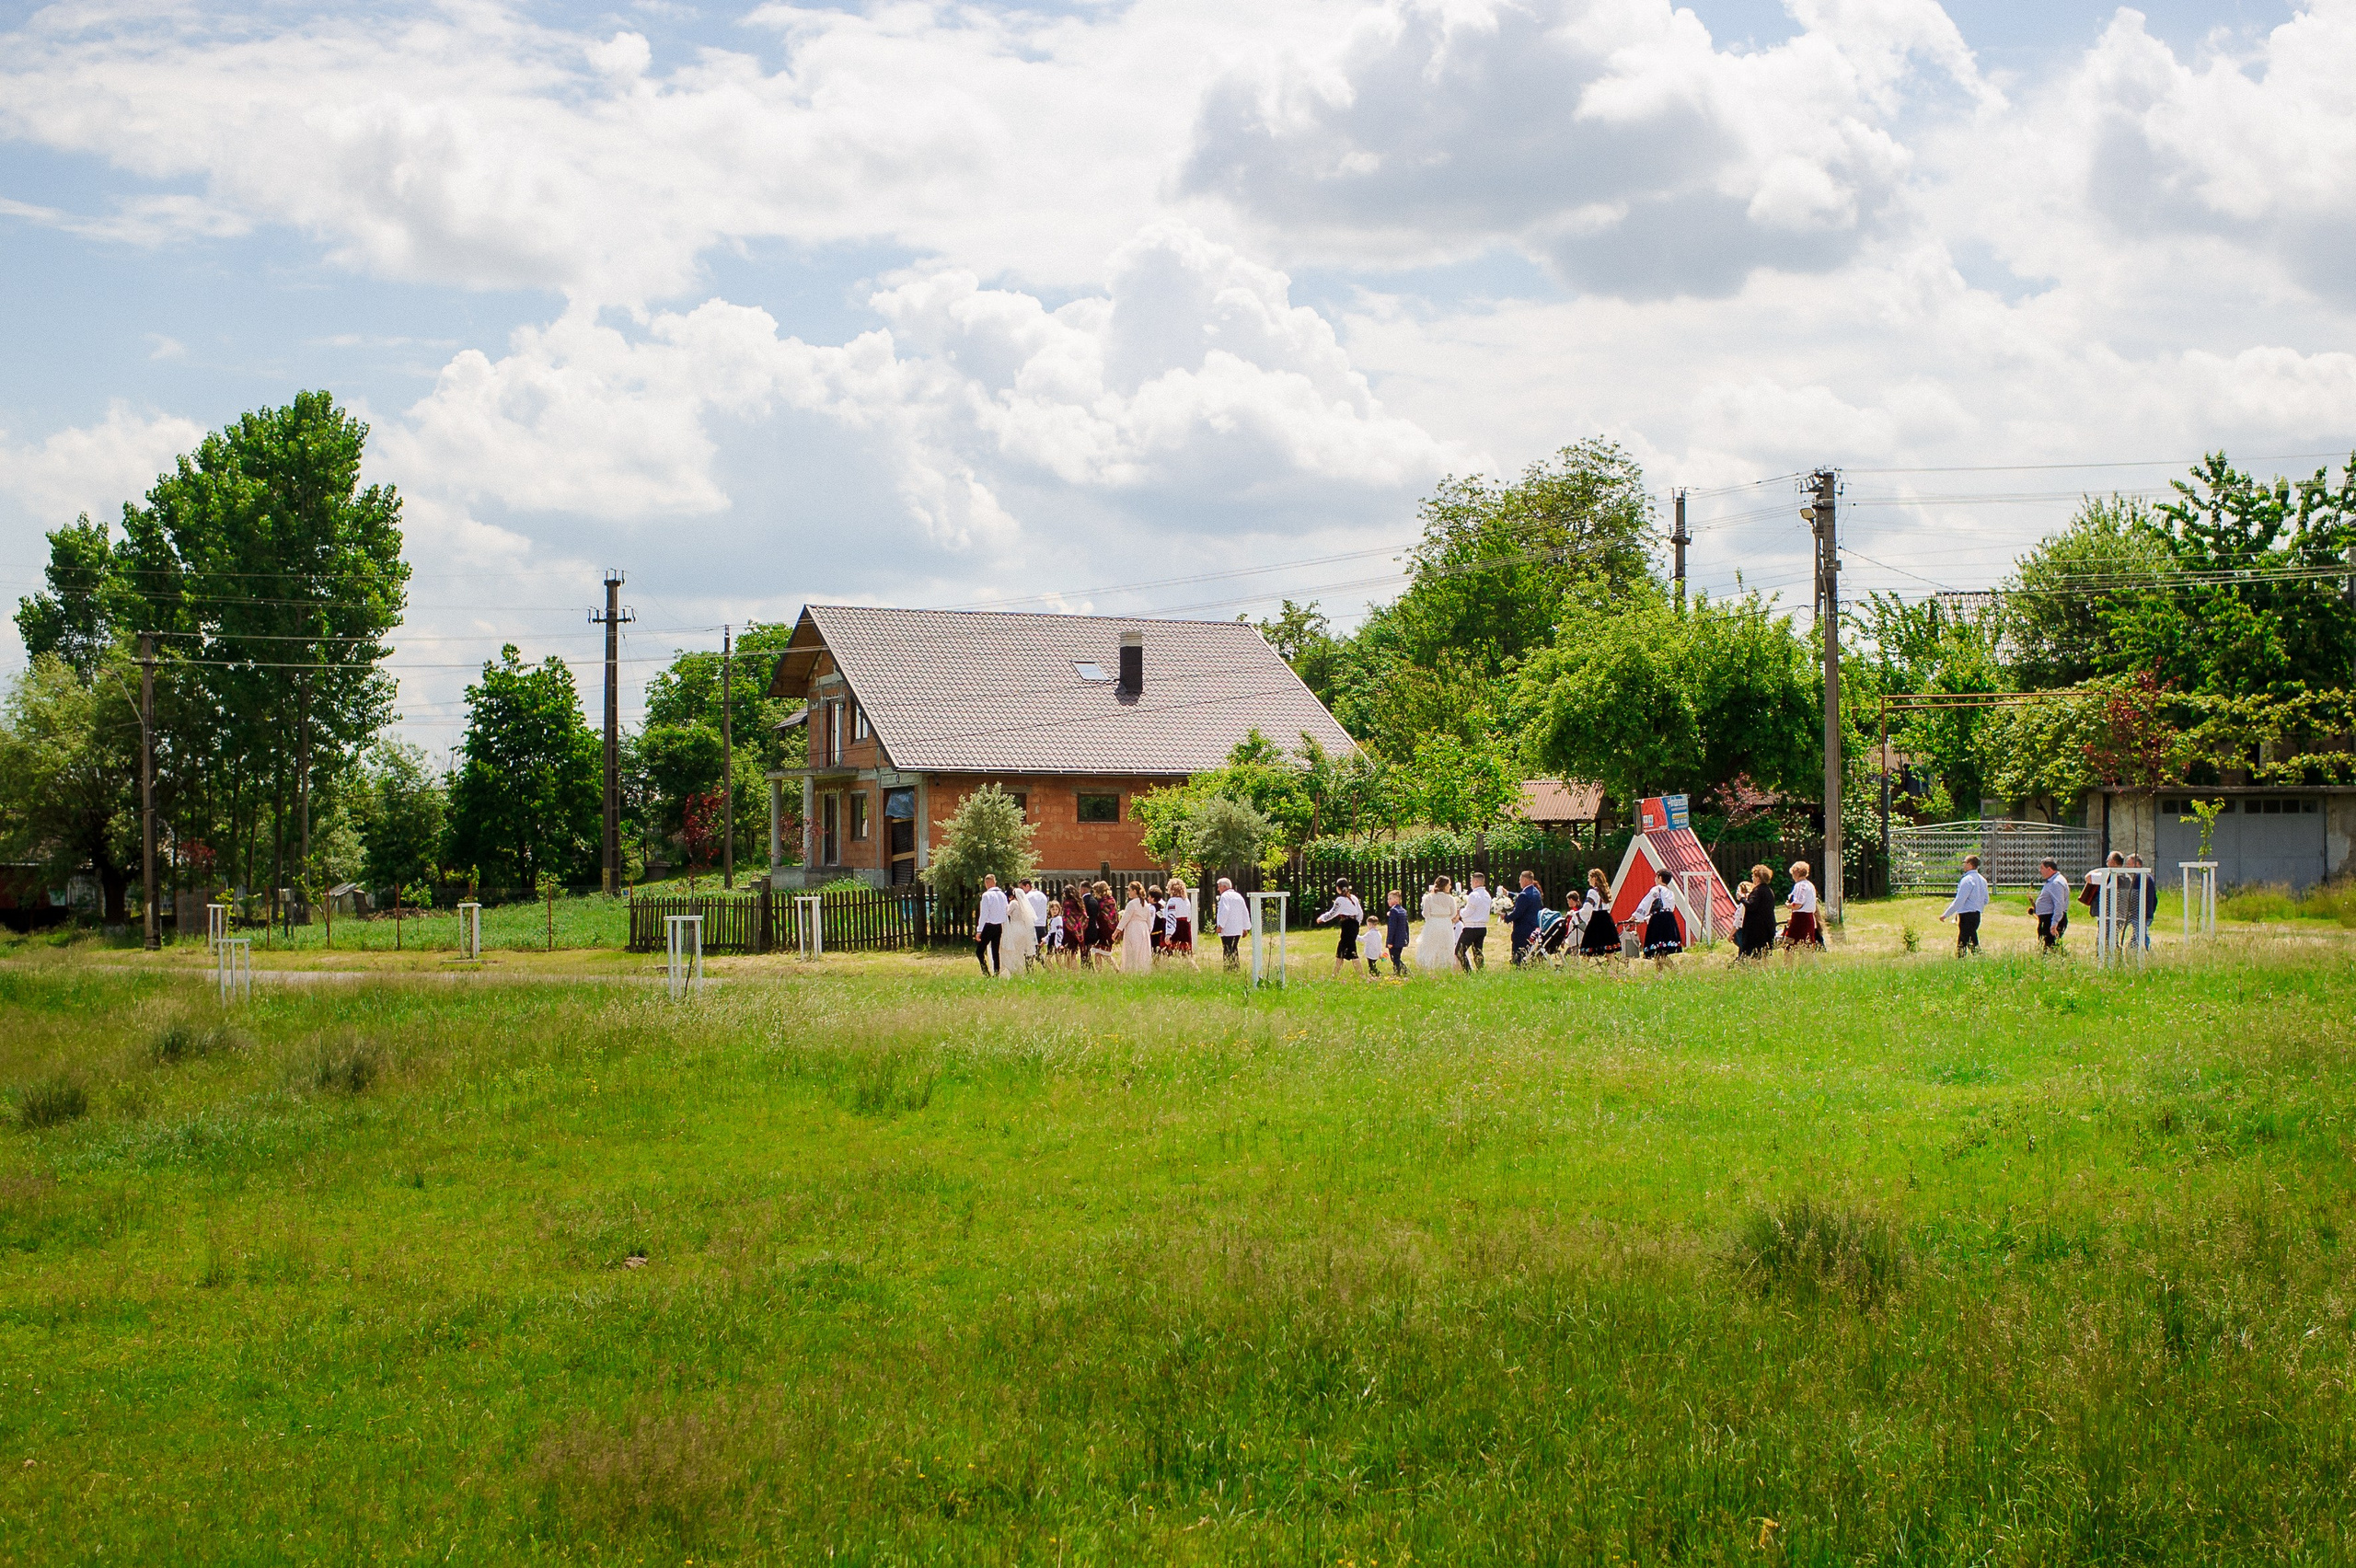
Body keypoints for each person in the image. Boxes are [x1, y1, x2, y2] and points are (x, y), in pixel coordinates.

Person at [1631, 867, 1682, 967]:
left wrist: (1635, 916)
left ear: (1659, 877)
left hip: (1659, 921)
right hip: (1669, 920)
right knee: (1661, 949)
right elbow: (1669, 908)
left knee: (1657, 946)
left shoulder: (1657, 889)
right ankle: (1660, 972)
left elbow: (1646, 902)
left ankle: (1672, 970)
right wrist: (1647, 918)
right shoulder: (1671, 893)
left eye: (1656, 877)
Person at [1315, 878, 1364, 979]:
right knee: (1344, 950)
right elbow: (1360, 913)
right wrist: (1357, 924)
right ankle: (1335, 975)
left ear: (1338, 888)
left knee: (1348, 951)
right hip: (1354, 925)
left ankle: (1360, 976)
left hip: (1347, 925)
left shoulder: (1340, 900)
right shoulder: (1353, 898)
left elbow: (1333, 913)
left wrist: (1322, 918)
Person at [1940, 854, 1988, 954]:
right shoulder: (1982, 880)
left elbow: (1959, 900)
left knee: (1968, 942)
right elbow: (1986, 900)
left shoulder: (1967, 880)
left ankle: (1977, 959)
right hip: (1976, 915)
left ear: (1970, 864)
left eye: (1964, 862)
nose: (1963, 865)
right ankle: (1963, 960)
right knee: (1965, 940)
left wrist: (1946, 914)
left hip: (1966, 916)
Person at [1414, 876, 1459, 972]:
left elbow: (1425, 913)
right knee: (1445, 944)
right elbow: (1453, 913)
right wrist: (1445, 918)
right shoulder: (1450, 898)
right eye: (1449, 884)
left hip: (1433, 922)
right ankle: (1444, 965)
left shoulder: (1429, 897)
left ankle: (1428, 965)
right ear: (1445, 885)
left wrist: (1432, 917)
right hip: (1446, 922)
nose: (1450, 887)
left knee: (1430, 944)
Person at [1734, 863, 1778, 959]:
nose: (1752, 878)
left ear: (1758, 877)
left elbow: (1751, 906)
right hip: (1768, 926)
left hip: (1757, 930)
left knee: (1754, 955)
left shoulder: (1757, 891)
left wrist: (1741, 898)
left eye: (1753, 876)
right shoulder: (1769, 890)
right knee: (1764, 954)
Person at [1576, 867, 1618, 958]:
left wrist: (1577, 914)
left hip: (1596, 920)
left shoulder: (1592, 892)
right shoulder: (1605, 891)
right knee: (1609, 951)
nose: (1588, 880)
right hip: (1607, 920)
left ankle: (1582, 971)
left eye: (1589, 878)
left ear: (1594, 878)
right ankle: (1613, 972)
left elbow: (1587, 908)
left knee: (1587, 948)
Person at [1117, 881, 1156, 974]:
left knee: (1132, 950)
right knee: (1142, 951)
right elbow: (1149, 922)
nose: (1128, 892)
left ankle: (1132, 971)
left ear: (1134, 891)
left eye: (1129, 890)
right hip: (1143, 928)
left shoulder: (1132, 903)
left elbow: (1125, 919)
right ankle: (1143, 970)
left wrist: (1116, 932)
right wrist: (1147, 931)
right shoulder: (1146, 904)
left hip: (1133, 928)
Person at [1783, 860, 1822, 950]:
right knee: (1807, 944)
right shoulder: (1810, 885)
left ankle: (1788, 963)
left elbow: (1798, 904)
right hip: (1809, 918)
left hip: (1800, 918)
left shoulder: (1800, 885)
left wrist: (1789, 905)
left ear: (1796, 873)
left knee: (1789, 944)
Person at [1456, 872, 1492, 971]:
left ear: (1476, 882)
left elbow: (1468, 912)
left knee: (1459, 951)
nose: (1471, 884)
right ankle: (1481, 970)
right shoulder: (1487, 895)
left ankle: (1468, 972)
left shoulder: (1474, 895)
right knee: (1478, 951)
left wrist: (1460, 912)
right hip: (1482, 927)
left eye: (1471, 881)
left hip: (1471, 927)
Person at [2033, 857, 2070, 950]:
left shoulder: (2056, 883)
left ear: (2049, 869)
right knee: (2046, 946)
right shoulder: (2052, 881)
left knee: (2050, 947)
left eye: (2042, 868)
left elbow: (2059, 904)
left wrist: (2054, 924)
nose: (2040, 871)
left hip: (2051, 919)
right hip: (2047, 919)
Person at [999, 886, 1036, 978]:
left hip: (1015, 928)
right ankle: (1021, 969)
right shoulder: (1023, 905)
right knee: (1020, 950)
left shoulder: (1013, 903)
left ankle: (1016, 969)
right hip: (1023, 928)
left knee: (1015, 950)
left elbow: (1006, 913)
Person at [974, 873, 1007, 976]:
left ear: (986, 883)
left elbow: (984, 914)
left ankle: (986, 972)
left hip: (988, 926)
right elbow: (1006, 909)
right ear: (995, 882)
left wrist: (979, 930)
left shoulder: (986, 895)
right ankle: (996, 973)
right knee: (995, 951)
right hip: (999, 926)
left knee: (979, 951)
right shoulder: (1002, 895)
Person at [1508, 870, 1544, 964]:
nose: (1519, 882)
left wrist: (1506, 917)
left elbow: (1517, 913)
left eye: (1520, 880)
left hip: (1522, 928)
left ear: (1524, 880)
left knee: (1520, 951)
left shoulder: (1524, 895)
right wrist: (1508, 893)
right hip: (1533, 927)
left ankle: (1519, 965)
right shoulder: (1536, 892)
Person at [1215, 877, 1250, 968]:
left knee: (1227, 949)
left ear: (1224, 887)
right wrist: (1245, 927)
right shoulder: (1239, 896)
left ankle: (1228, 968)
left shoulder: (1225, 896)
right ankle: (1236, 967)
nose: (1218, 889)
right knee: (1234, 948)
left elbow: (1224, 911)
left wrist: (1220, 925)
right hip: (1237, 928)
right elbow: (1244, 911)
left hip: (1228, 928)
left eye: (1219, 887)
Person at [1164, 878, 1196, 965]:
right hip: (1185, 926)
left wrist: (1169, 933)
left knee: (1174, 950)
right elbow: (1189, 915)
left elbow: (1171, 917)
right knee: (1185, 951)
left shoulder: (1172, 901)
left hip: (1177, 927)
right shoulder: (1186, 901)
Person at [2127, 853, 2156, 947]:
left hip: (2140, 914)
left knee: (2141, 937)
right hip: (2147, 913)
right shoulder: (2148, 877)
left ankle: (2146, 952)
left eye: (2129, 864)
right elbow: (2155, 899)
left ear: (2138, 864)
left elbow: (2133, 897)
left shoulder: (2139, 877)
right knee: (2136, 939)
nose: (2127, 867)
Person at [1382, 889, 1410, 976]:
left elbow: (1392, 928)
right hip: (1402, 939)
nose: (1388, 901)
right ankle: (1403, 971)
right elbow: (1406, 926)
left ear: (1396, 900)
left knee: (1394, 957)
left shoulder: (1393, 911)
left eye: (1390, 899)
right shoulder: (1403, 911)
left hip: (1394, 939)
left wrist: (1389, 941)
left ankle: (1398, 972)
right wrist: (1407, 938)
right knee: (1397, 957)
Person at [1060, 884, 1087, 968]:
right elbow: (1083, 916)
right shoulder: (1079, 902)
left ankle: (1072, 972)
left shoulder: (1067, 903)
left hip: (1068, 931)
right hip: (1078, 931)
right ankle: (1074, 972)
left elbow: (1067, 916)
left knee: (1068, 954)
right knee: (1073, 953)